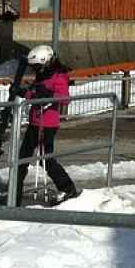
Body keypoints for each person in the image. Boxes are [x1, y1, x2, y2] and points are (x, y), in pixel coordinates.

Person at [15, 44, 81, 205]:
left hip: (48, 124)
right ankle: (14, 191)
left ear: (47, 61)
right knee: (22, 158)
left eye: (37, 66)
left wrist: (49, 95)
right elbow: (36, 92)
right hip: (35, 122)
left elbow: (64, 98)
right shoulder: (43, 74)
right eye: (34, 67)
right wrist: (24, 92)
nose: (36, 70)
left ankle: (67, 187)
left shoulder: (58, 76)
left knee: (46, 159)